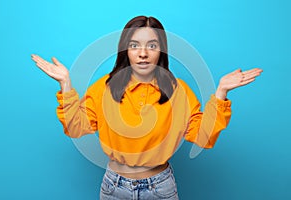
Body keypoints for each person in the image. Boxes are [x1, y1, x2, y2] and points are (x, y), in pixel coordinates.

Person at [31, 16, 262, 200]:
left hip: (160, 188)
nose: (143, 53)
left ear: (161, 50)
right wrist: (66, 85)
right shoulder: (104, 87)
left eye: (152, 45)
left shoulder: (178, 91)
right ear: (126, 50)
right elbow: (76, 129)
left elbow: (203, 137)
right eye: (135, 45)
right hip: (114, 187)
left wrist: (221, 93)